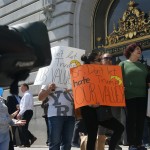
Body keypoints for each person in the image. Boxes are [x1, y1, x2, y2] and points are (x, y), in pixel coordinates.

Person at [80, 52, 124, 150]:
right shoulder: (83, 73)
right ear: (91, 62)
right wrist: (90, 104)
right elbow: (80, 91)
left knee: (119, 128)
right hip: (88, 110)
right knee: (92, 135)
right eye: (98, 60)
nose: (101, 62)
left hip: (101, 110)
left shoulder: (104, 73)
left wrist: (118, 90)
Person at [119, 43, 150, 150]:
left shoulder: (143, 65)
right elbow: (116, 80)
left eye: (140, 49)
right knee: (131, 121)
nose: (139, 50)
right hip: (129, 97)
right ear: (130, 51)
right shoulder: (122, 64)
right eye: (137, 49)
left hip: (143, 96)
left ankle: (139, 143)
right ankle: (131, 144)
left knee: (141, 120)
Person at [38, 83, 75, 150]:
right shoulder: (49, 80)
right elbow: (40, 97)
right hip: (55, 115)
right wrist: (49, 89)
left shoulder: (71, 79)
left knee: (67, 142)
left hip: (70, 114)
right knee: (55, 141)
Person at [17, 83, 37, 147]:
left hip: (26, 112)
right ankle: (30, 138)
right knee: (23, 127)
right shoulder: (27, 94)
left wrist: (19, 113)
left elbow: (25, 106)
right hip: (27, 112)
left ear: (25, 87)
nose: (21, 89)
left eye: (22, 87)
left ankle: (27, 142)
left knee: (23, 127)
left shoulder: (27, 95)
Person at [6, 81, 23, 147]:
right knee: (14, 130)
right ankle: (14, 142)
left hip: (21, 114)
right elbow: (8, 107)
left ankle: (22, 142)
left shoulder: (21, 97)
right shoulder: (10, 97)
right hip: (13, 115)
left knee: (21, 129)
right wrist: (11, 115)